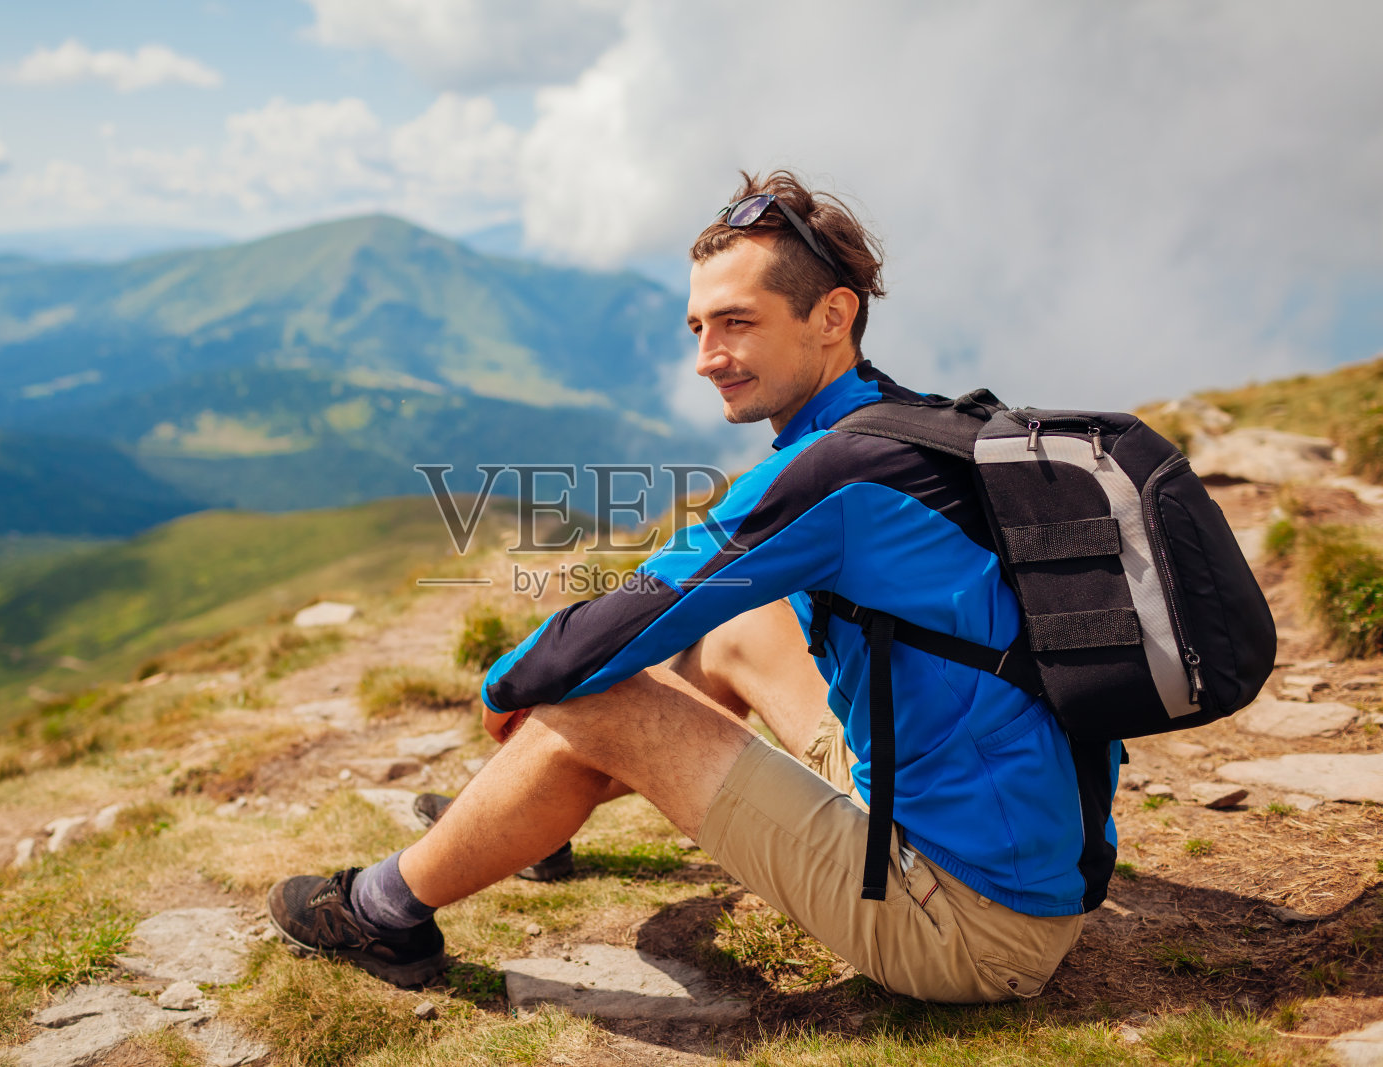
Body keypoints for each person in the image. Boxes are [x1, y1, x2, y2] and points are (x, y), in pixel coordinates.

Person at [267, 169, 1117, 1002]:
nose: (709, 357)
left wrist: (506, 684)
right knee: (733, 631)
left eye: (737, 323)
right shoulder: (919, 423)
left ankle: (379, 910)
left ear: (833, 315)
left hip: (966, 925)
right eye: (698, 326)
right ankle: (514, 820)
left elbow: (637, 607)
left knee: (581, 694)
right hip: (1006, 840)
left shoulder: (836, 472)